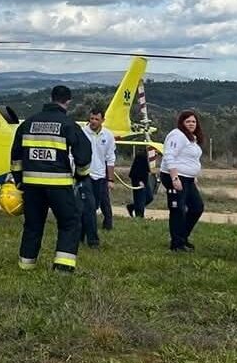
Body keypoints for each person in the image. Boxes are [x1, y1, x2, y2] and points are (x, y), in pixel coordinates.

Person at [11, 85, 92, 272]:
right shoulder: (68, 124)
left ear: (51, 98)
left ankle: (26, 265)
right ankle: (63, 268)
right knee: (69, 223)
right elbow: (84, 155)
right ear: (68, 102)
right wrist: (81, 175)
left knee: (32, 225)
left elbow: (15, 155)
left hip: (31, 185)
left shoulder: (28, 123)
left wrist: (19, 180)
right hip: (59, 185)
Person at [159, 110, 205, 252]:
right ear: (182, 123)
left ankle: (182, 237)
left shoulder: (192, 138)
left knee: (197, 207)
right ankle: (177, 244)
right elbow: (169, 156)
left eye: (193, 121)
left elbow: (190, 159)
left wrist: (193, 175)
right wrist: (175, 177)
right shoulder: (177, 135)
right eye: (188, 121)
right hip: (175, 176)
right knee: (177, 209)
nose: (191, 124)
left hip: (188, 178)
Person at [80, 107, 117, 246]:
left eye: (97, 119)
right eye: (91, 119)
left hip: (100, 176)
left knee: (93, 207)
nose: (93, 121)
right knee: (88, 207)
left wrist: (110, 179)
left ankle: (80, 235)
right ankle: (93, 241)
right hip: (85, 174)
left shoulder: (108, 135)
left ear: (103, 120)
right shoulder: (82, 133)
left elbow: (110, 158)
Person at [126, 149, 155, 218]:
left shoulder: (152, 158)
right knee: (140, 200)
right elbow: (135, 171)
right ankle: (139, 217)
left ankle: (132, 207)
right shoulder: (141, 156)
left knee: (149, 197)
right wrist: (138, 181)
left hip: (145, 179)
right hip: (138, 180)